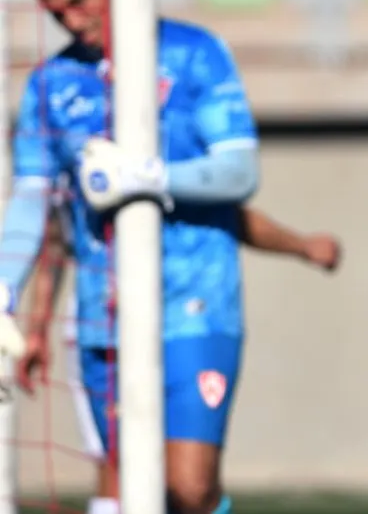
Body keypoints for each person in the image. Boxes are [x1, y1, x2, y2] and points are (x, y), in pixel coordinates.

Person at [0, 0, 261, 514]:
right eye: (55, 12)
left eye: (77, 0)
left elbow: (240, 172)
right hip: (102, 317)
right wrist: (4, 290)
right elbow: (30, 201)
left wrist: (147, 177)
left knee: (188, 489)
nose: (71, 21)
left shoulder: (195, 52)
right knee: (126, 490)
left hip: (194, 302)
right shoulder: (50, 86)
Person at [15, 190, 341, 514]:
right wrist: (37, 325)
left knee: (189, 487)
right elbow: (53, 230)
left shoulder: (180, 160)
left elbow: (231, 197)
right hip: (103, 326)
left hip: (193, 319)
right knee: (123, 474)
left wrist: (301, 245)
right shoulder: (67, 153)